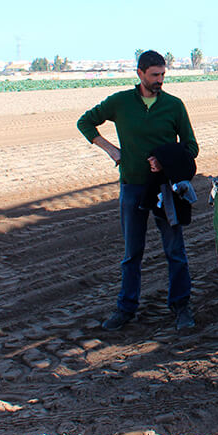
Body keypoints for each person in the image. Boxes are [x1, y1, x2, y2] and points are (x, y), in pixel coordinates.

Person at [77, 50, 199, 331]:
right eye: (155, 75)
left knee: (175, 251)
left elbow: (191, 147)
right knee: (132, 254)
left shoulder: (174, 106)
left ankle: (181, 307)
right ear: (140, 74)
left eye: (163, 75)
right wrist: (111, 150)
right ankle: (126, 308)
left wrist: (165, 160)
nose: (160, 80)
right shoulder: (120, 103)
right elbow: (85, 122)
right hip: (132, 187)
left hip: (165, 190)